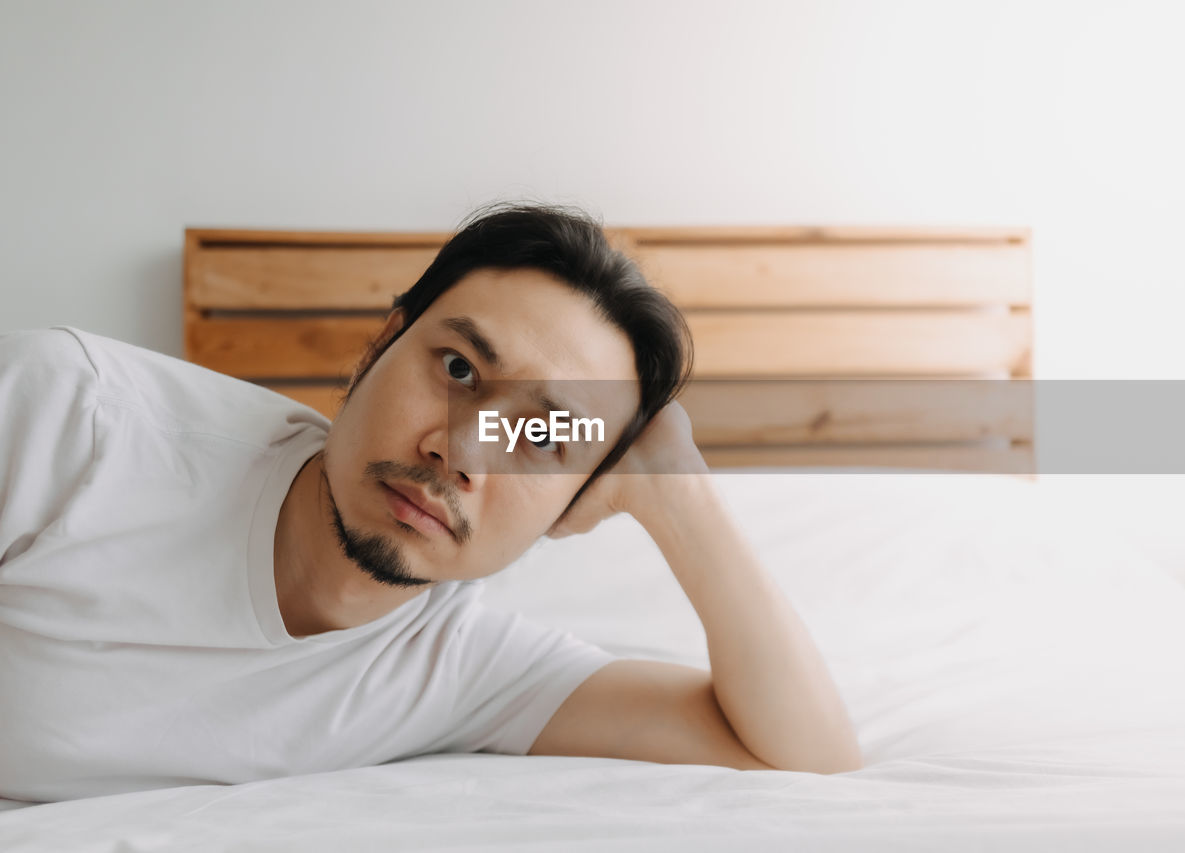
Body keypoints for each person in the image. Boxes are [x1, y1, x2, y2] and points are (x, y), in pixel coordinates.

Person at [0, 203, 860, 804]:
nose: (459, 447)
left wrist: (680, 498)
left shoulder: (460, 668)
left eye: (541, 436)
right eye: (457, 371)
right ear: (380, 344)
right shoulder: (72, 418)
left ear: (574, 501)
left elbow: (806, 757)